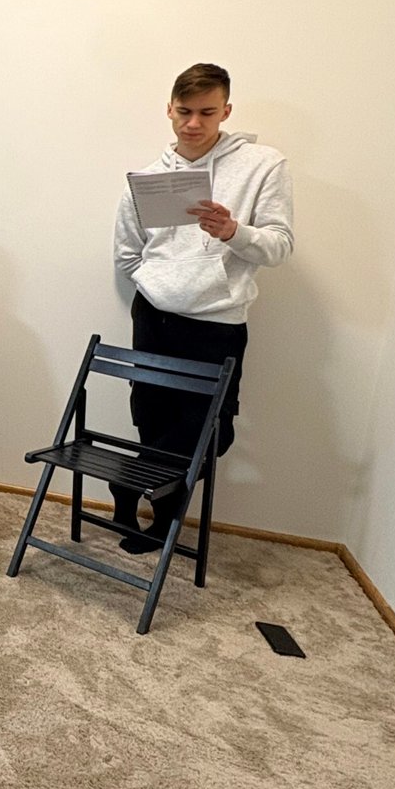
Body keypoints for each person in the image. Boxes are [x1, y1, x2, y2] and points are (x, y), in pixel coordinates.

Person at [111, 62, 294, 552]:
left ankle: (128, 483)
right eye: (185, 111)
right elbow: (127, 254)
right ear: (169, 110)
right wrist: (160, 283)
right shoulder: (147, 178)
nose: (194, 123)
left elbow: (280, 246)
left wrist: (234, 232)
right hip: (154, 316)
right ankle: (157, 522)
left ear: (226, 111)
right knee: (150, 417)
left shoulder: (262, 165)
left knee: (212, 430)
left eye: (207, 112)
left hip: (217, 324)